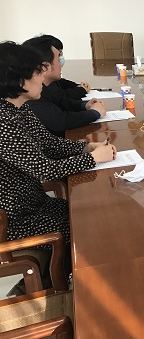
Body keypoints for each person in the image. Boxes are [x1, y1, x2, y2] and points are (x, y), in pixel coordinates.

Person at [0, 41, 115, 251]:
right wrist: (93, 158)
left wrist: (86, 147)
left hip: (36, 203)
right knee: (89, 225)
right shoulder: (4, 121)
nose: (42, 79)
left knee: (93, 211)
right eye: (37, 73)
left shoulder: (19, 108)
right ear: (19, 80)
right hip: (16, 220)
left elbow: (50, 144)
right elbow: (44, 169)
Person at [23, 35, 106, 137]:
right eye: (58, 58)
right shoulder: (30, 92)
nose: (61, 64)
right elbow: (60, 121)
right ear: (44, 67)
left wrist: (84, 105)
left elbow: (60, 102)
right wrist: (94, 113)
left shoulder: (44, 86)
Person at [42, 34, 90, 99]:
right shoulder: (41, 83)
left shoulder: (51, 78)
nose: (60, 58)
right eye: (59, 55)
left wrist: (77, 86)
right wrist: (81, 90)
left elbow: (60, 82)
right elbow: (61, 96)